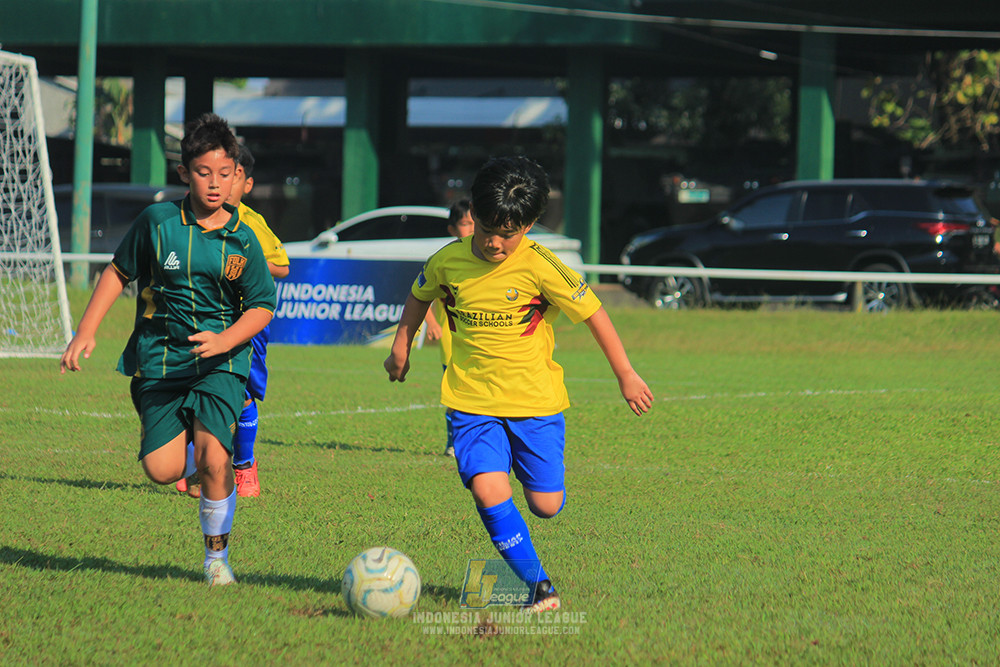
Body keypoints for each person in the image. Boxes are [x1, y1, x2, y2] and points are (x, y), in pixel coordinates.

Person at [383, 156, 653, 612]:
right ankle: (539, 587)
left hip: (535, 402)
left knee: (546, 504)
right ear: (473, 214)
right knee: (488, 490)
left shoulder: (542, 265)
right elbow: (419, 294)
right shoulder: (447, 260)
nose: (495, 242)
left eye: (508, 234)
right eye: (487, 229)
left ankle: (521, 477)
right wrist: (400, 346)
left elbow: (594, 313)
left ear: (527, 226)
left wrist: (625, 374)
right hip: (471, 400)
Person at [59, 113, 277, 586]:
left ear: (236, 174)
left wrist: (225, 340)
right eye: (203, 172)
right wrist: (85, 330)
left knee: (216, 459)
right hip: (159, 359)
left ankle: (216, 559)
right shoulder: (157, 222)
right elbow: (118, 272)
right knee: (161, 470)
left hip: (221, 362)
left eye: (224, 173)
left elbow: (262, 305)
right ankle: (197, 458)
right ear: (184, 173)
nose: (214, 183)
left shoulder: (243, 238)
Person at [176, 143, 290, 498]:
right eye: (214, 174)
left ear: (245, 183)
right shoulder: (192, 218)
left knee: (241, 395)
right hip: (204, 317)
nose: (222, 183)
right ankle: (199, 465)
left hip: (245, 323)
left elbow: (282, 266)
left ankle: (244, 466)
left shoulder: (252, 223)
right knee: (195, 389)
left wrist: (246, 262)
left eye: (231, 175)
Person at [420, 198, 475, 457]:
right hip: (451, 343)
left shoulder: (488, 258)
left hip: (480, 343)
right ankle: (453, 442)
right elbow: (421, 295)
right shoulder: (445, 260)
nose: (471, 228)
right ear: (452, 229)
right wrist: (432, 322)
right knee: (456, 395)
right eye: (465, 223)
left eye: (475, 222)